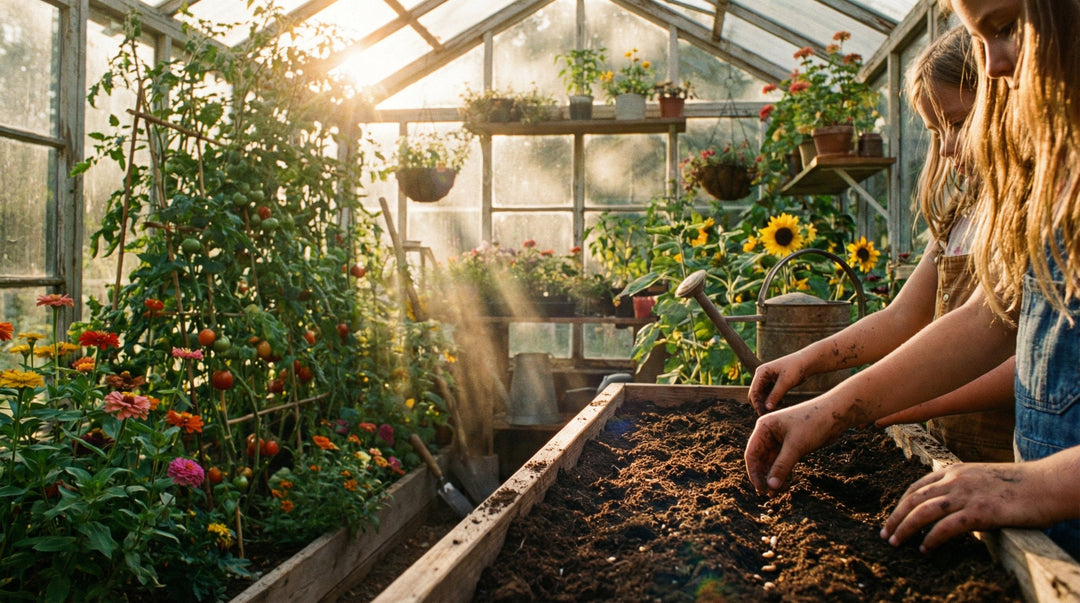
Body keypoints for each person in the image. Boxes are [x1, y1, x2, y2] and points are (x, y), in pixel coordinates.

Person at [744, 0, 1080, 561]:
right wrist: (829, 406)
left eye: (1006, 27)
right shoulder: (1049, 186)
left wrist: (1038, 485)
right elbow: (986, 319)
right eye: (981, 39)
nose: (995, 64)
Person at [747, 26, 1016, 463]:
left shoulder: (1027, 216)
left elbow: (1008, 350)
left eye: (959, 123)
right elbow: (902, 317)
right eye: (936, 132)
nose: (947, 148)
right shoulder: (959, 217)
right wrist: (806, 360)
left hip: (1012, 461)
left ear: (1006, 99)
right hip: (947, 456)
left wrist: (908, 406)